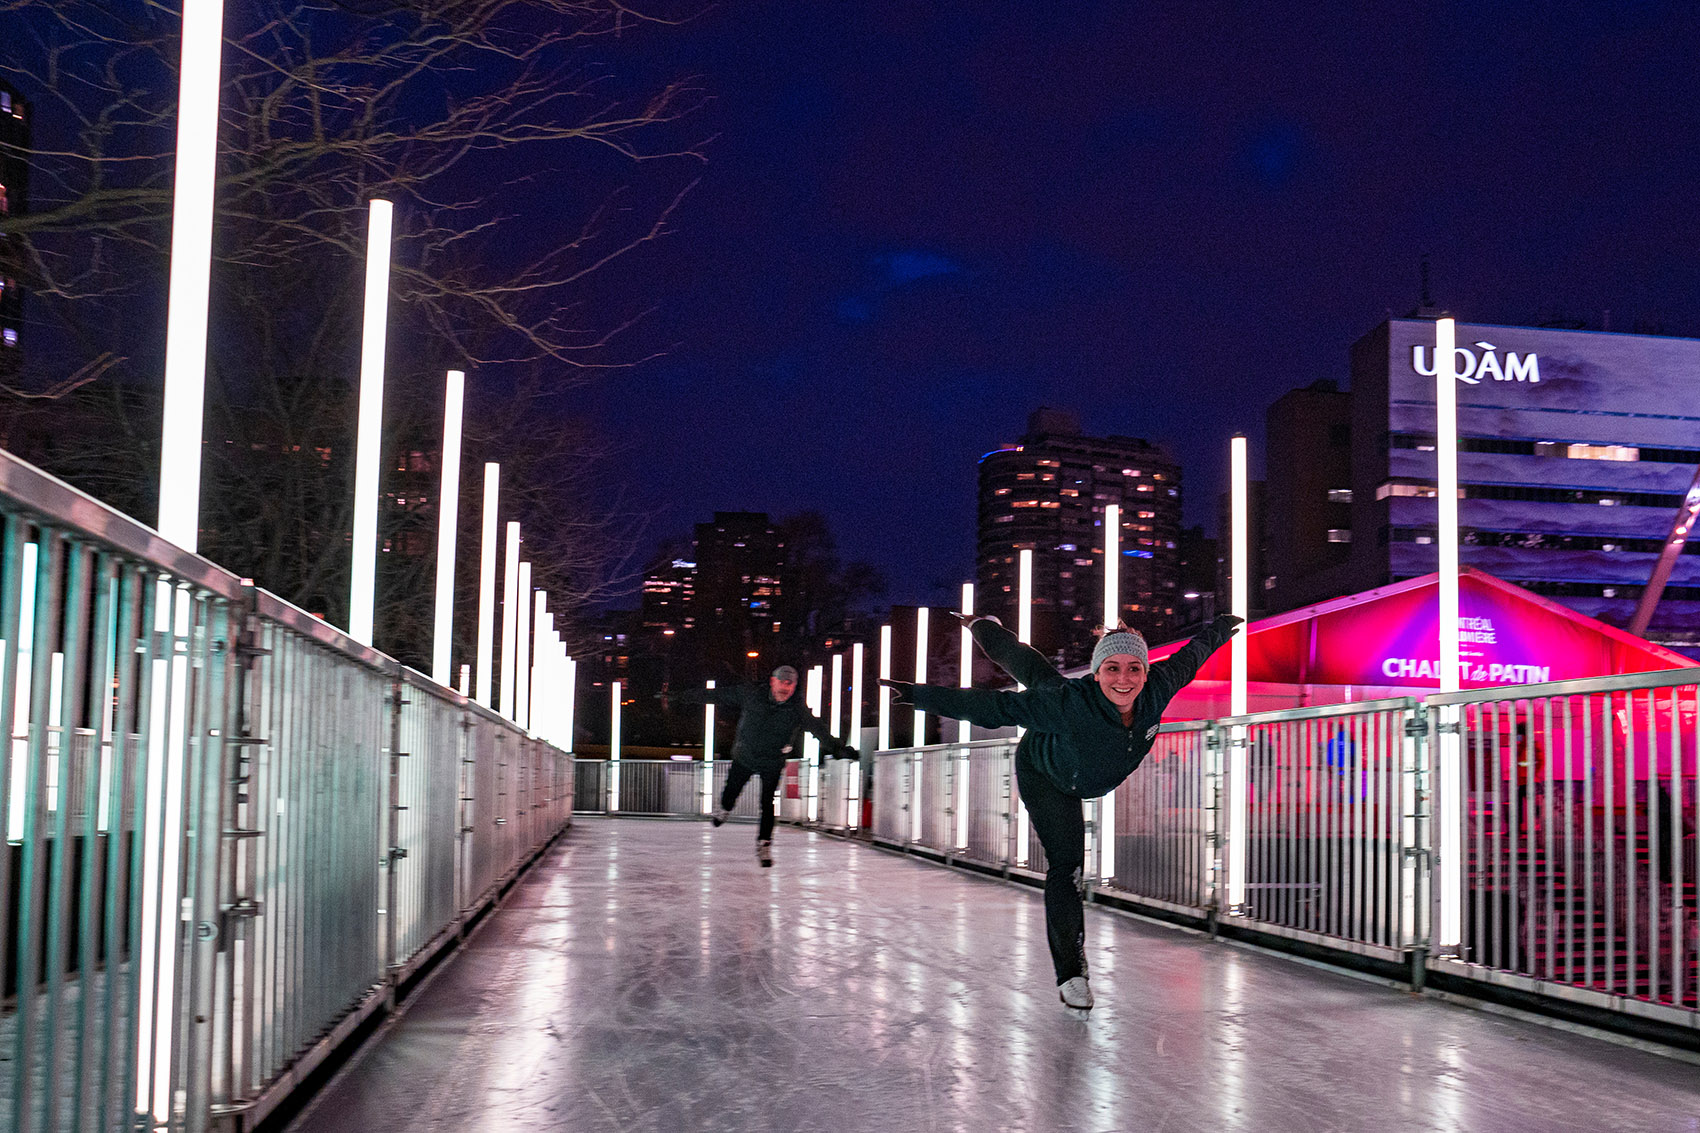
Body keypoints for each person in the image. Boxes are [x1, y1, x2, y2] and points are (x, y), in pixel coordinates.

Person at [881, 612, 1242, 1010]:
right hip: (1046, 776)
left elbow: (1191, 657)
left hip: (1077, 756)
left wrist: (1220, 627)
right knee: (1067, 866)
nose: (1124, 679)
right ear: (1097, 672)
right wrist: (918, 696)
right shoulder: (1070, 705)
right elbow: (995, 708)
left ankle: (984, 625)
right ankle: (1072, 974)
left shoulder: (1157, 688)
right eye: (1112, 669)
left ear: (1145, 672)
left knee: (1036, 671)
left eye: (1134, 669)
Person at [678, 665, 860, 867]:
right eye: (782, 683)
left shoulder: (797, 709)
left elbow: (818, 730)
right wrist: (684, 697)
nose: (786, 689)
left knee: (767, 804)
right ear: (772, 681)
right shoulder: (751, 694)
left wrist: (839, 749)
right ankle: (725, 808)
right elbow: (719, 695)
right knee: (732, 789)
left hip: (772, 761)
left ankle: (764, 844)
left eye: (790, 686)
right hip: (746, 755)